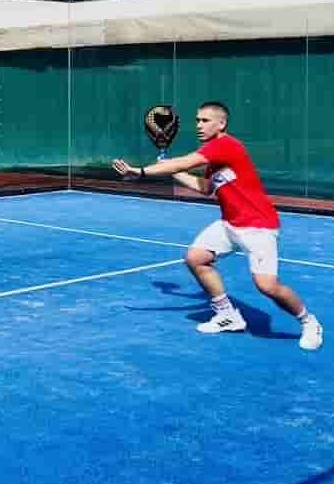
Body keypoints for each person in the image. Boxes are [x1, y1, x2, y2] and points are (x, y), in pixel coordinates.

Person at [112, 101, 323, 351]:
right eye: (197, 120)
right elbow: (206, 188)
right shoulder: (215, 157)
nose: (199, 125)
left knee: (267, 286)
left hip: (258, 225)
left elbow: (185, 162)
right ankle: (228, 315)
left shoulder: (226, 146)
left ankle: (309, 322)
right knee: (195, 258)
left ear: (221, 123)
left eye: (204, 120)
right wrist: (170, 171)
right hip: (229, 224)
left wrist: (141, 171)